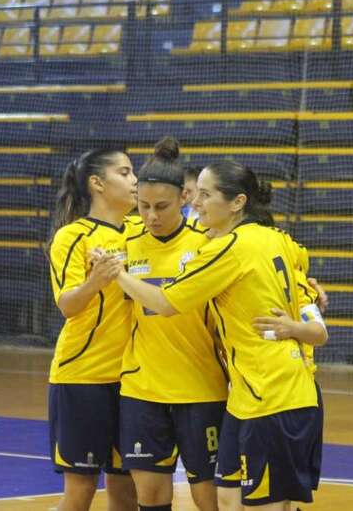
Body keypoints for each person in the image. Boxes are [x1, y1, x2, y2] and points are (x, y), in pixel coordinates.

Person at [109, 161, 328, 510]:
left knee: (264, 503)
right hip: (247, 396)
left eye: (206, 195)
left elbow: (165, 302)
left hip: (272, 391)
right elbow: (308, 295)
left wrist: (118, 274)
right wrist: (310, 307)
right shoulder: (279, 239)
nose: (196, 203)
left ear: (237, 202)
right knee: (227, 498)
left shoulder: (229, 248)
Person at [116, 138, 227, 511]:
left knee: (207, 498)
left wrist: (306, 286)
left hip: (201, 389)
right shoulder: (125, 241)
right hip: (142, 388)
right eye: (143, 206)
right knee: (150, 496)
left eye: (161, 206)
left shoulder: (208, 244)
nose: (151, 216)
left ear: (185, 197)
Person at [47, 148, 139, 511]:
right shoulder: (73, 236)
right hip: (83, 378)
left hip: (134, 381)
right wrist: (95, 282)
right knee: (80, 495)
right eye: (125, 172)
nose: (134, 180)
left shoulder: (141, 230)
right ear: (97, 183)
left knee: (125, 492)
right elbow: (67, 304)